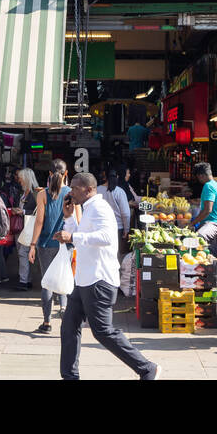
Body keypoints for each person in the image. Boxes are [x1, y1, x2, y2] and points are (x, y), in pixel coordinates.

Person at [55, 172, 160, 380]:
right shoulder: (87, 209)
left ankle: (147, 368)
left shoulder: (100, 208)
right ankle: (69, 376)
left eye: (75, 188)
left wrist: (73, 236)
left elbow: (105, 237)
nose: (71, 192)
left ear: (88, 189)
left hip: (99, 280)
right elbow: (82, 238)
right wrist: (68, 219)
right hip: (85, 279)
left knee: (103, 331)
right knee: (69, 326)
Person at [28, 159, 72, 333]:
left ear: (49, 174)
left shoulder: (42, 194)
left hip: (46, 243)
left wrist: (32, 245)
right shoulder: (71, 194)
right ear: (66, 174)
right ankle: (64, 313)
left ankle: (46, 323)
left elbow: (39, 222)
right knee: (63, 278)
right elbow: (78, 219)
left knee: (47, 282)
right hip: (66, 244)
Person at [15, 167, 40, 290]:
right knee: (22, 253)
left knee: (23, 253)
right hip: (21, 227)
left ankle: (23, 281)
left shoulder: (36, 193)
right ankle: (27, 280)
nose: (19, 180)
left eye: (20, 178)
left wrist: (23, 211)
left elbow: (39, 211)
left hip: (29, 228)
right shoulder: (23, 193)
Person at [188, 163, 217, 242]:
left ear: (201, 176)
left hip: (212, 223)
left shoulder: (208, 186)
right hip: (214, 223)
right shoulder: (216, 185)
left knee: (197, 240)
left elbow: (208, 210)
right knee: (209, 251)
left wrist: (192, 223)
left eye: (198, 177)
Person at [103, 169, 131, 250]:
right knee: (115, 253)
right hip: (117, 228)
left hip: (101, 227)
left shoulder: (97, 190)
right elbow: (125, 213)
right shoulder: (119, 192)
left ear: (105, 177)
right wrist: (126, 229)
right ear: (117, 177)